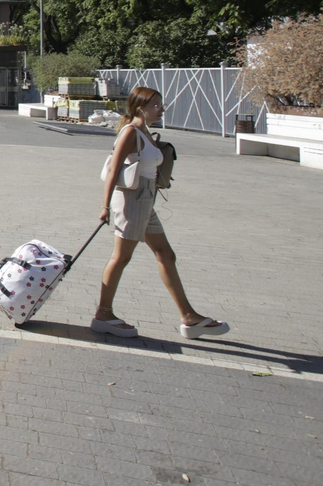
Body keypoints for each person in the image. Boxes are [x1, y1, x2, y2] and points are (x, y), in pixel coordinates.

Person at [91, 85, 230, 340]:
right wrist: (104, 206)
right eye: (156, 105)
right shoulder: (130, 132)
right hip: (132, 201)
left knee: (166, 254)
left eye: (160, 104)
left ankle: (188, 317)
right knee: (121, 258)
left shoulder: (144, 132)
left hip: (146, 201)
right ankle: (103, 314)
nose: (161, 109)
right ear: (140, 107)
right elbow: (113, 170)